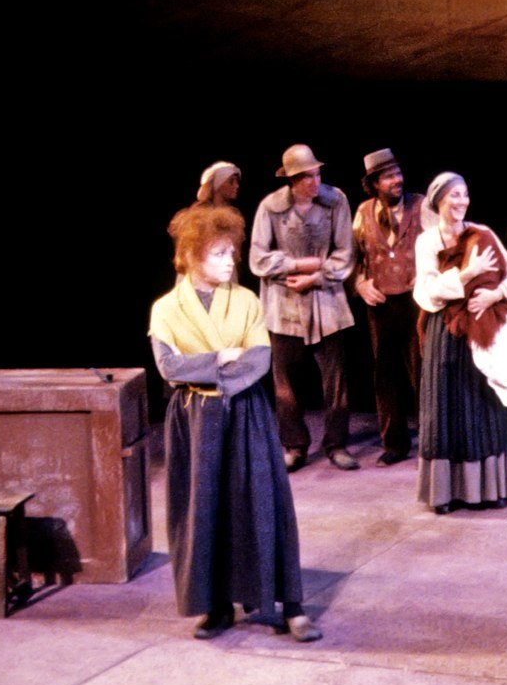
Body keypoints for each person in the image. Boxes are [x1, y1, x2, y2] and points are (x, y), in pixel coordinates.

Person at [150, 206, 320, 642]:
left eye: (232, 252)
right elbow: (169, 367)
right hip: (194, 420)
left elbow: (259, 359)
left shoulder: (245, 301)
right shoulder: (167, 309)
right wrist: (218, 359)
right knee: (205, 509)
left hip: (245, 413)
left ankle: (292, 603)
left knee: (264, 504)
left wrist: (214, 372)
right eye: (219, 254)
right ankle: (216, 606)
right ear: (191, 257)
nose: (231, 261)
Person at [413, 172, 507, 511]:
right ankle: (445, 493)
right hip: (447, 331)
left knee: (484, 407)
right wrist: (467, 274)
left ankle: (490, 489)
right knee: (446, 407)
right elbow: (427, 291)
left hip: (484, 329)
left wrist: (494, 294)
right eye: (453, 195)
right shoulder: (427, 242)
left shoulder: (483, 233)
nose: (460, 202)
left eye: (464, 194)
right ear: (438, 202)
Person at [250, 144, 359, 471]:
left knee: (336, 382)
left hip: (326, 302)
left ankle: (337, 443)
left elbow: (345, 254)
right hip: (284, 305)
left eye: (317, 174)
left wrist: (315, 277)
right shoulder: (271, 207)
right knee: (285, 384)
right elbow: (257, 258)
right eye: (306, 177)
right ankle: (294, 444)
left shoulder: (335, 200)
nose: (315, 181)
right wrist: (298, 264)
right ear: (292, 181)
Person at [352, 149, 424, 466]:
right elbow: (351, 258)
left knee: (422, 372)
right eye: (388, 176)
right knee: (386, 375)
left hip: (416, 300)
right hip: (380, 304)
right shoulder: (364, 212)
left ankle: (433, 438)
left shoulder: (423, 206)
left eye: (398, 173)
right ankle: (394, 443)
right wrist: (358, 283)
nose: (397, 180)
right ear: (375, 183)